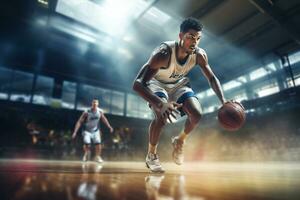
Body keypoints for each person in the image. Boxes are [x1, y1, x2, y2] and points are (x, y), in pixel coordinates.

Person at [133, 18, 227, 173]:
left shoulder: (199, 55)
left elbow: (211, 77)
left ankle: (179, 141)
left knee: (196, 114)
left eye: (198, 38)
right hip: (157, 83)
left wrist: (223, 101)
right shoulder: (163, 54)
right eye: (190, 37)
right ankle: (151, 155)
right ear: (180, 36)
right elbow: (137, 85)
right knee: (161, 116)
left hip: (178, 84)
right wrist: (161, 103)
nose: (194, 42)